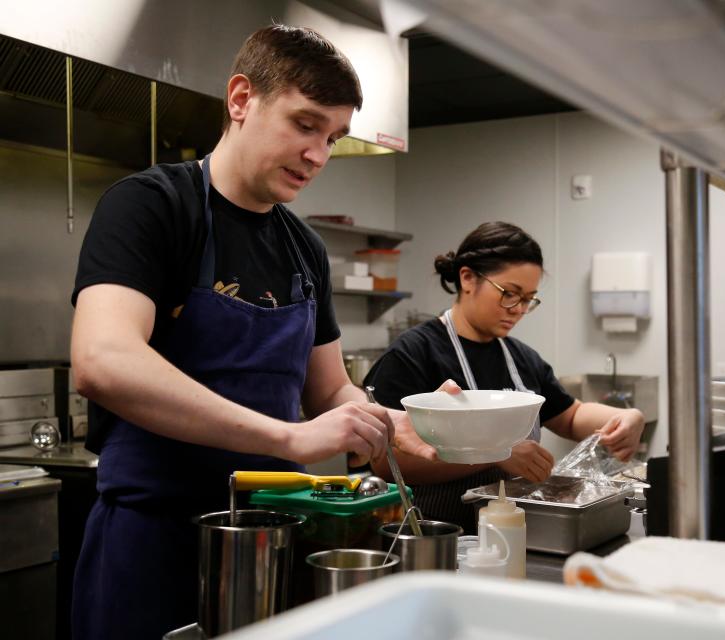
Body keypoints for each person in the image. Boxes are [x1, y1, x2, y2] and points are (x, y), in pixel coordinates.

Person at [69, 25, 435, 639]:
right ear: (241, 100)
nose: (319, 155)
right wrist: (288, 438)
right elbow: (103, 359)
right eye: (304, 125)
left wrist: (385, 420)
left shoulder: (304, 249)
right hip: (152, 543)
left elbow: (329, 391)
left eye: (333, 138)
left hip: (269, 544)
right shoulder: (152, 206)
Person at [364, 222, 645, 533]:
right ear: (468, 278)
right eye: (509, 294)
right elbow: (386, 462)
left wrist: (626, 418)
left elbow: (571, 415)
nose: (518, 309)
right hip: (437, 535)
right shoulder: (414, 354)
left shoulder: (520, 358)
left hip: (509, 531)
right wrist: (495, 454)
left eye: (528, 299)